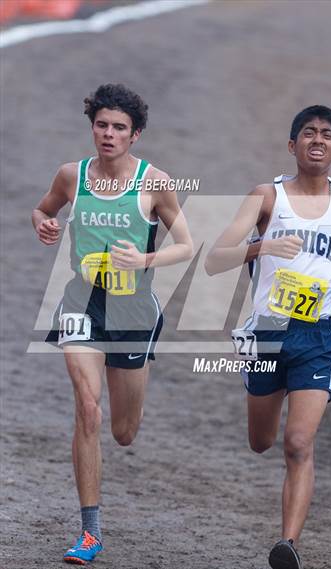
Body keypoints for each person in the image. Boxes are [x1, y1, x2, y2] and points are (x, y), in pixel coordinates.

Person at [32, 83, 193, 564]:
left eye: (119, 127)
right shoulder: (71, 175)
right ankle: (90, 532)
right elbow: (44, 208)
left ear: (135, 134)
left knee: (123, 430)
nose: (108, 134)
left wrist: (145, 258)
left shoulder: (154, 182)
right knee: (87, 407)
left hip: (132, 311)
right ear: (93, 127)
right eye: (101, 125)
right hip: (81, 304)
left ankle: (129, 410)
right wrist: (42, 222)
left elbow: (185, 244)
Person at [205, 106, 331, 569]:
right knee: (261, 440)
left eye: (326, 135)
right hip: (266, 334)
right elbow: (214, 260)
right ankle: (264, 418)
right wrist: (263, 246)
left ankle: (287, 545)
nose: (316, 140)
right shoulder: (266, 197)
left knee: (298, 442)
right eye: (307, 133)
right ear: (291, 145)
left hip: (316, 338)